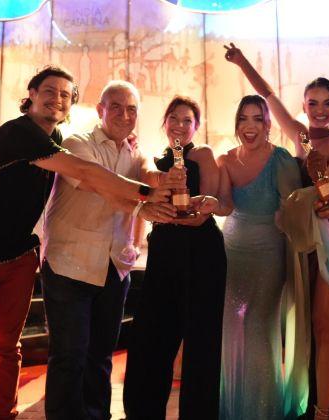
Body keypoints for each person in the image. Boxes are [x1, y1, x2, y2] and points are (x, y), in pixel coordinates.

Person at [0, 65, 174, 420]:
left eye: (65, 94)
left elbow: (104, 180)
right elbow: (88, 174)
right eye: (49, 90)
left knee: (7, 349)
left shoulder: (58, 138)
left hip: (18, 256)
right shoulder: (19, 133)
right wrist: (148, 196)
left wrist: (145, 198)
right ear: (31, 94)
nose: (57, 99)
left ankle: (5, 415)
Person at [224, 43, 329, 420]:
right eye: (313, 103)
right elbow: (268, 95)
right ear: (304, 106)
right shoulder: (297, 134)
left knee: (325, 326)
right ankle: (307, 402)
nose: (321, 110)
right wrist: (242, 61)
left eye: (328, 103)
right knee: (304, 325)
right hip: (298, 239)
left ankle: (325, 411)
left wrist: (310, 186)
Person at [40, 80, 183, 419]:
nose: (124, 114)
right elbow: (100, 184)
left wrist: (169, 179)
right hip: (69, 264)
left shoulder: (134, 150)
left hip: (113, 267)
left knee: (100, 357)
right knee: (69, 357)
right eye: (116, 107)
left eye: (131, 109)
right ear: (100, 110)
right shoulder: (77, 143)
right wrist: (144, 204)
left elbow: (147, 173)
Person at [122, 95, 224, 420]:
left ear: (197, 126)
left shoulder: (202, 153)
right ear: (164, 123)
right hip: (164, 250)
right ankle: (142, 412)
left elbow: (210, 202)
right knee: (152, 333)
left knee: (201, 339)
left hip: (201, 250)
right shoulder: (155, 161)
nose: (180, 125)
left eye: (187, 120)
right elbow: (142, 194)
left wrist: (192, 210)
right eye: (174, 118)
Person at [215, 94, 302, 419]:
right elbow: (224, 205)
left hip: (269, 251)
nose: (249, 126)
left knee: (257, 326)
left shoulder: (281, 159)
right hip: (231, 251)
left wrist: (285, 215)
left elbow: (293, 207)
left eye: (257, 118)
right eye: (243, 118)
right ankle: (235, 407)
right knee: (231, 326)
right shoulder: (225, 160)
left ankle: (264, 411)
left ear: (267, 124)